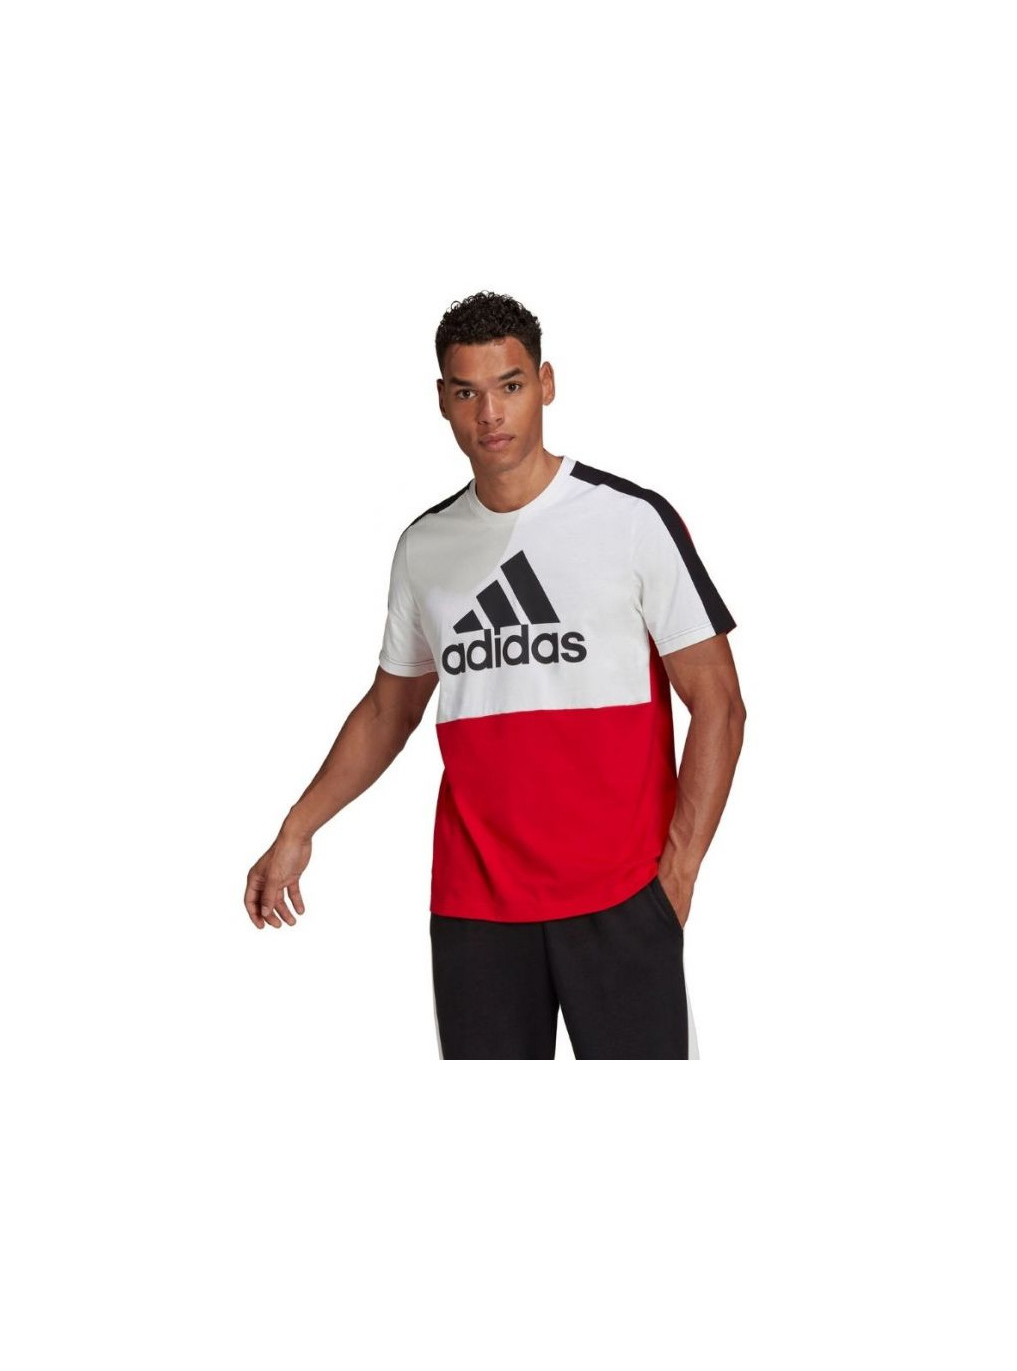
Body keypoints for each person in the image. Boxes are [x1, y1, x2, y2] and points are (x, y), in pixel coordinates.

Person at [244, 290, 747, 1059]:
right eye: (466, 392)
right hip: (475, 909)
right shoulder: (425, 547)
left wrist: (676, 875)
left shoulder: (630, 520)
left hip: (621, 896)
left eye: (509, 386)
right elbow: (388, 711)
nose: (490, 414)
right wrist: (297, 827)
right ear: (441, 401)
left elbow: (719, 704)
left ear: (545, 383)